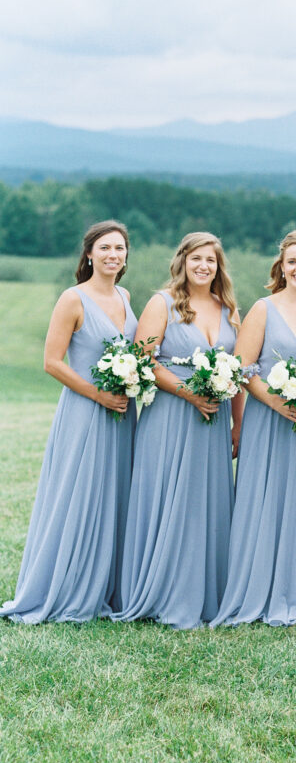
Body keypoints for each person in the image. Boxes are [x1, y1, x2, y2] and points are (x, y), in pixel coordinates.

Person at [1, 221, 136, 622]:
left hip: (122, 416)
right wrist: (98, 394)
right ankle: (65, 587)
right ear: (89, 254)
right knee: (78, 495)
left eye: (120, 248)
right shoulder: (72, 299)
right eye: (105, 248)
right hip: (84, 411)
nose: (113, 255)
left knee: (114, 495)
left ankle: (105, 586)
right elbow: (51, 362)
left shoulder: (127, 297)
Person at [211, 230, 296, 627]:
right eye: (292, 262)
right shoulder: (264, 309)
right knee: (265, 500)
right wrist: (278, 402)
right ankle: (260, 587)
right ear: (281, 267)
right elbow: (243, 368)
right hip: (268, 422)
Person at [116, 232, 241, 629]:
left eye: (211, 260)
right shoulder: (163, 303)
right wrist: (190, 393)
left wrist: (238, 423)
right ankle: (163, 589)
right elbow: (143, 361)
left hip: (214, 421)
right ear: (182, 261)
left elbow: (239, 370)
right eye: (196, 258)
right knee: (169, 498)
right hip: (171, 415)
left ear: (219, 266)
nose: (204, 266)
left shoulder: (229, 310)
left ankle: (205, 592)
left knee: (206, 501)